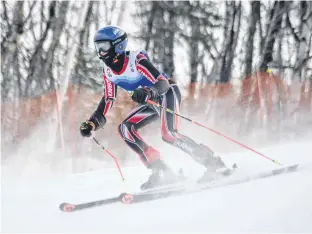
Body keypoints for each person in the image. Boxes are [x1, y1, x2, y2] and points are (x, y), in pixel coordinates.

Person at [79, 26, 227, 190]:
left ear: (117, 46)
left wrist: (149, 92)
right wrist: (92, 123)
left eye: (104, 47)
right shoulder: (108, 72)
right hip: (151, 102)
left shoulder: (136, 61)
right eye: (97, 48)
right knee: (125, 129)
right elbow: (108, 99)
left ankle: (213, 163)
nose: (100, 53)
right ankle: (162, 171)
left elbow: (162, 82)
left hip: (166, 94)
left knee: (169, 134)